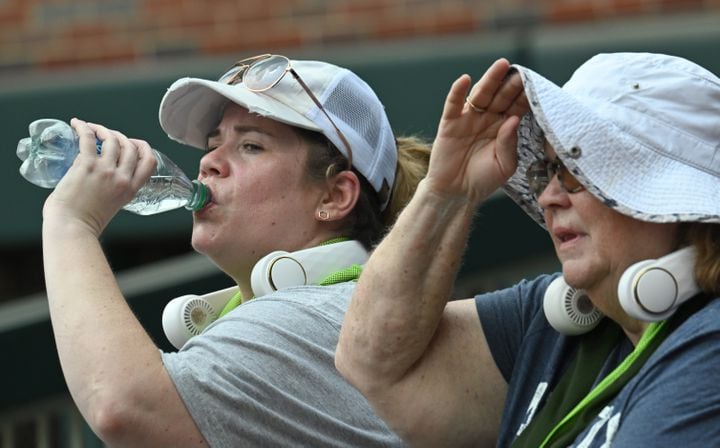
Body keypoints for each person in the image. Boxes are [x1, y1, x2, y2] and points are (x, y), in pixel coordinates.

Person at [41, 54, 431, 447]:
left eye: (250, 146)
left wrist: (71, 222)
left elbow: (123, 406)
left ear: (334, 195)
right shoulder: (341, 308)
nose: (209, 162)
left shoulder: (323, 314)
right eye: (214, 144)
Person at [335, 52, 720, 447]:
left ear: (665, 193)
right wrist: (445, 193)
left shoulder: (711, 345)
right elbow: (369, 363)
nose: (549, 197)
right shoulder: (559, 320)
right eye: (547, 172)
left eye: (575, 170)